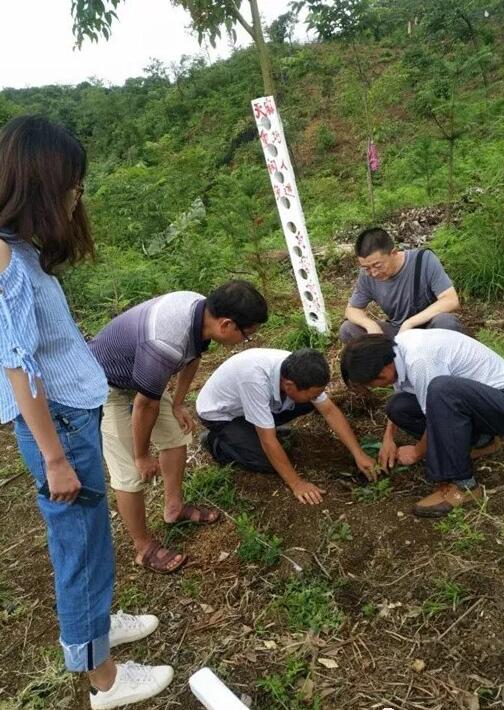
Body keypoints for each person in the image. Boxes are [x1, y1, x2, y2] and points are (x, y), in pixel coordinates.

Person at [0, 115, 174, 708]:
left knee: (92, 537)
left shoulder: (19, 249)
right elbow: (18, 367)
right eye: (72, 184)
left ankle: (97, 625)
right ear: (43, 182)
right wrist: (54, 458)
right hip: (60, 433)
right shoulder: (4, 259)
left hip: (72, 420)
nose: (78, 196)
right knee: (78, 546)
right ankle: (103, 678)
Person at [88, 281, 267, 573]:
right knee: (129, 472)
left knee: (174, 435)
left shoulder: (200, 311)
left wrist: (178, 402)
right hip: (105, 384)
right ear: (226, 324)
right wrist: (142, 455)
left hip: (141, 374)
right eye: (247, 335)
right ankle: (143, 547)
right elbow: (145, 405)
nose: (247, 340)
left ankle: (174, 508)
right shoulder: (165, 344)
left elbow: (193, 355)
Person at [340, 330, 504, 517]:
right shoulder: (395, 351)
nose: (374, 388)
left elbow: (437, 412)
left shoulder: (420, 359)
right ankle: (483, 442)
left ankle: (463, 484)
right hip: (488, 408)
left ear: (383, 370)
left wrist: (417, 452)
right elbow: (406, 397)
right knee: (398, 406)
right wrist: (388, 439)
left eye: (371, 384)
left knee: (442, 390)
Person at [196, 347, 376, 504]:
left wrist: (358, 453)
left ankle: (257, 427)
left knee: (310, 403)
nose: (317, 396)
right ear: (289, 385)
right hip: (222, 415)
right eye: (313, 393)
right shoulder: (254, 380)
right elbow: (268, 441)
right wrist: (297, 484)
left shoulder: (299, 371)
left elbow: (329, 411)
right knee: (266, 462)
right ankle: (215, 441)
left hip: (251, 406)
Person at [339, 226, 462, 342]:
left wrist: (409, 323)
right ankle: (388, 363)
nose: (373, 272)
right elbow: (352, 309)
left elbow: (450, 300)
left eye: (377, 265)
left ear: (393, 253)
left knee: (446, 322)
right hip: (397, 332)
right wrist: (370, 326)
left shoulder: (424, 260)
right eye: (367, 267)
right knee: (348, 329)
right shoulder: (367, 275)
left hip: (428, 328)